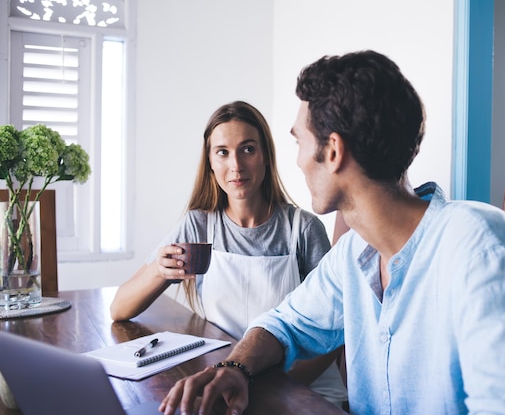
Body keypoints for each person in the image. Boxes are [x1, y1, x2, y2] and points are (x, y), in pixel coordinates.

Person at [159, 51, 505, 415]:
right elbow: (284, 325)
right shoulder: (353, 254)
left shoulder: (479, 245)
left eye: (299, 142)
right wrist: (234, 368)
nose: (298, 161)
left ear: (332, 152)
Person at [110, 100, 347, 407]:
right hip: (230, 382)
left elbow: (332, 335)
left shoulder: (302, 229)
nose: (236, 165)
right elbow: (119, 309)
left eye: (248, 149)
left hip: (302, 388)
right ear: (210, 161)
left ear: (266, 157)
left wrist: (274, 386)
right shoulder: (199, 225)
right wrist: (159, 270)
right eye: (222, 152)